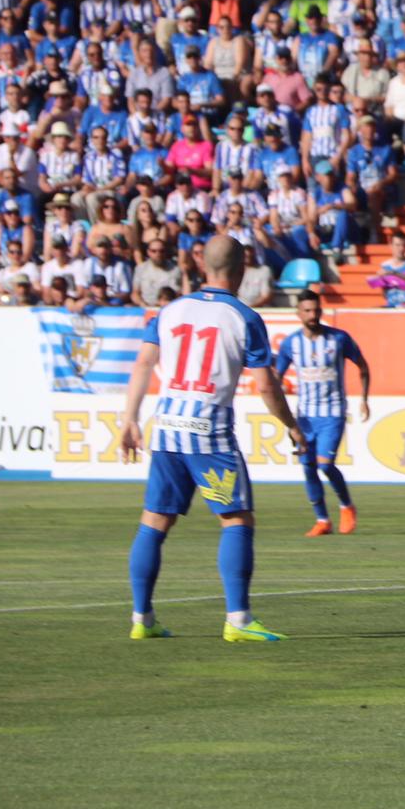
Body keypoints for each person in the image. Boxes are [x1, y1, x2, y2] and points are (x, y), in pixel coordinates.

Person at [118, 236, 305, 643]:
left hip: (166, 426)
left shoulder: (170, 310)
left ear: (202, 265)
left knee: (154, 520)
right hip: (209, 432)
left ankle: (141, 618)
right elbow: (266, 387)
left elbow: (144, 363)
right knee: (236, 519)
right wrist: (291, 424)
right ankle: (238, 620)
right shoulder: (244, 317)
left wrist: (129, 420)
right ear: (242, 270)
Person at [273, 290, 371, 537]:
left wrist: (364, 399)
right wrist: (283, 411)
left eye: (316, 310)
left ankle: (346, 506)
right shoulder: (291, 344)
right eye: (307, 311)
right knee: (307, 466)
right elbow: (276, 378)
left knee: (325, 465)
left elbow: (362, 366)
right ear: (298, 313)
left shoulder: (338, 339)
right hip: (305, 416)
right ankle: (322, 520)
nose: (312, 315)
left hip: (333, 412)